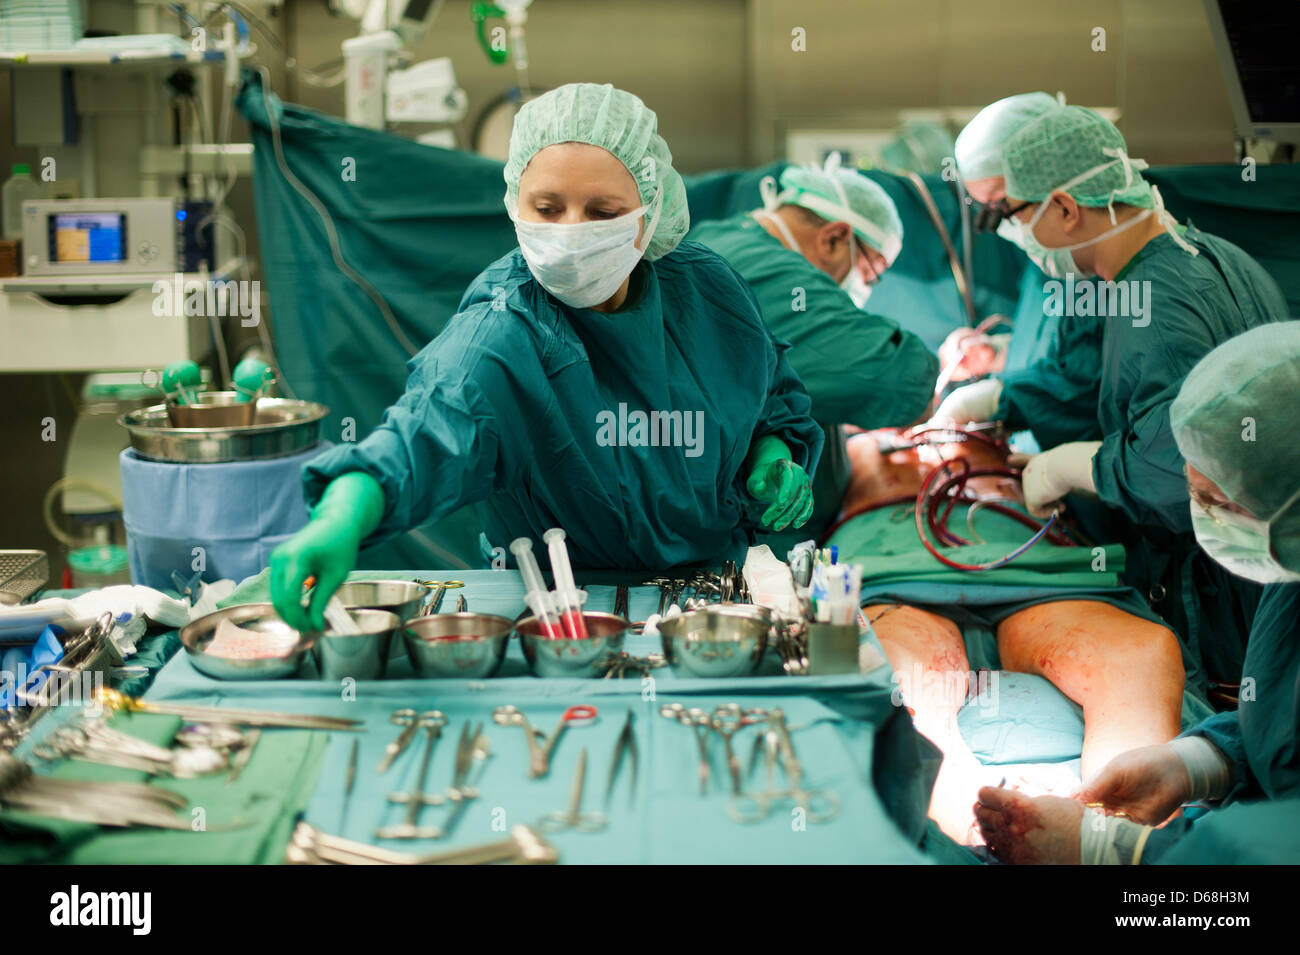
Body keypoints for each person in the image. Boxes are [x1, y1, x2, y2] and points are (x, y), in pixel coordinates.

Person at [268, 83, 823, 631]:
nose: (571, 234)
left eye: (603, 211)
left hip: (714, 602)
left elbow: (767, 400)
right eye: (547, 208)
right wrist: (343, 513)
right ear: (515, 202)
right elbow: (428, 431)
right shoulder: (505, 329)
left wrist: (770, 462)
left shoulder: (707, 291)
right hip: (561, 613)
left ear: (650, 212)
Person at [936, 103, 1288, 695]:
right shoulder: (1216, 257)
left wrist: (1072, 465)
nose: (1013, 232)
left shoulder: (1153, 298)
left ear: (1067, 208)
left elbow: (1183, 470)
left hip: (1221, 593)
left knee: (1229, 737)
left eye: (1014, 214)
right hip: (1259, 578)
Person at [974, 321, 1300, 864]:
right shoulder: (1290, 563)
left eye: (1219, 502)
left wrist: (1119, 853)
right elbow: (1281, 723)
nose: (1203, 519)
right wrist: (1203, 760)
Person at [690, 157, 938, 542]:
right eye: (870, 273)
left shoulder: (721, 236)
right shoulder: (780, 277)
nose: (865, 287)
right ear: (834, 238)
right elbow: (900, 382)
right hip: (748, 539)